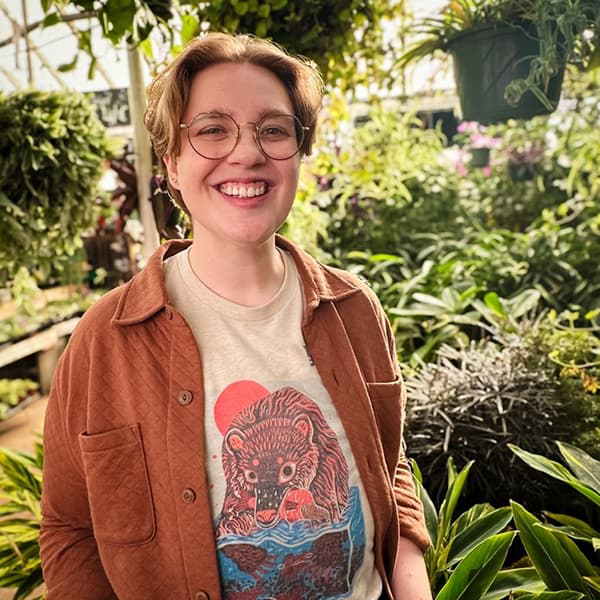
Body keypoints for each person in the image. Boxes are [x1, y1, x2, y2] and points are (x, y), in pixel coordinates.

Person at [40, 32, 431, 600]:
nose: (246, 153)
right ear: (172, 164)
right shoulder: (105, 342)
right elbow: (71, 528)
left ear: (298, 154)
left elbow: (388, 468)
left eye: (273, 130)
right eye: (212, 130)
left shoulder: (356, 311)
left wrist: (412, 584)